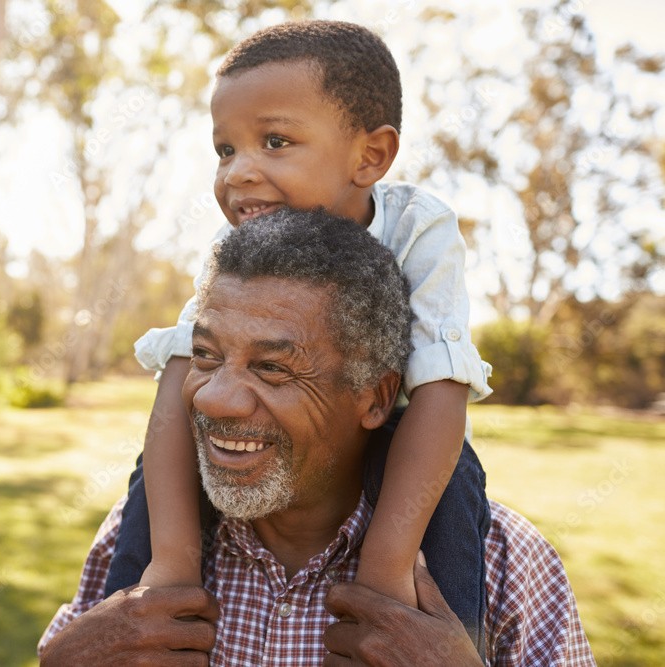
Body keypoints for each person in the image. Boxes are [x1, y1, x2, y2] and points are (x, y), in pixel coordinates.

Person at [38, 209, 595, 665]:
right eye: (205, 356)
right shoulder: (137, 536)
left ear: (376, 397)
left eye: (273, 369)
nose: (211, 398)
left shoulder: (503, 562)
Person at [105, 19, 493, 652]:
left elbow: (441, 388)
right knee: (155, 469)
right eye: (225, 150)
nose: (238, 174)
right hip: (282, 450)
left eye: (275, 141)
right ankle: (128, 638)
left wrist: (386, 570)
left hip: (398, 436)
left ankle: (438, 640)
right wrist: (170, 561)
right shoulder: (236, 251)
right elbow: (181, 373)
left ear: (370, 156)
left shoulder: (419, 228)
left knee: (456, 485)